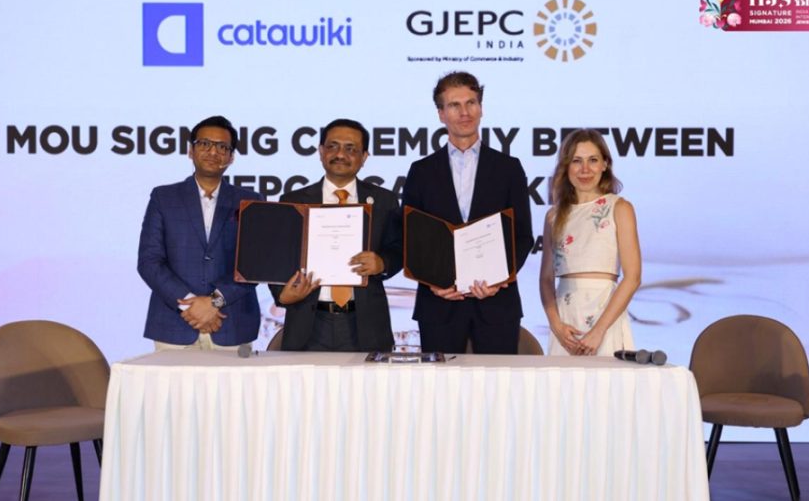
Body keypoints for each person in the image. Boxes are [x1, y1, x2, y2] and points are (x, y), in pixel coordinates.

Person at [402, 72, 533, 354]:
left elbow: (522, 236)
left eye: (471, 103)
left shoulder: (509, 168)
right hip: (439, 304)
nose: (464, 112)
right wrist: (432, 282)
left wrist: (501, 278)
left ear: (481, 108)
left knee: (498, 382)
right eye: (454, 105)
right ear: (441, 114)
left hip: (496, 303)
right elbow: (410, 239)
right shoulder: (421, 171)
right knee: (439, 383)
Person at [269, 118, 402, 352]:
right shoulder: (293, 201)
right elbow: (277, 257)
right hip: (309, 323)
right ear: (321, 151)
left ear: (364, 157)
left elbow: (399, 249)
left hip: (365, 324)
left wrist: (382, 262)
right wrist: (282, 295)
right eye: (333, 146)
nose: (340, 154)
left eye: (351, 149)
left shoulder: (384, 200)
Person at [138, 115, 262, 350]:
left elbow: (255, 266)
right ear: (190, 150)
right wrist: (189, 305)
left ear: (231, 157)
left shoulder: (251, 201)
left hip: (232, 324)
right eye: (205, 144)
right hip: (174, 324)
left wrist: (214, 302)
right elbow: (149, 262)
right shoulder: (163, 198)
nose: (213, 152)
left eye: (222, 147)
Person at [540, 128, 641, 356]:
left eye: (593, 160)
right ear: (566, 166)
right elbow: (546, 279)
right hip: (566, 325)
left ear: (605, 164)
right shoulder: (553, 216)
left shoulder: (620, 208)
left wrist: (598, 331)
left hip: (606, 316)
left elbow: (633, 277)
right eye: (577, 161)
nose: (585, 169)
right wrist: (556, 325)